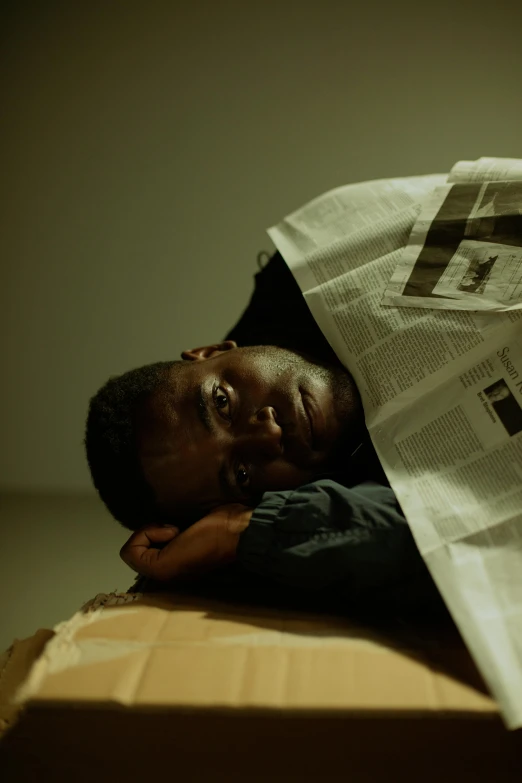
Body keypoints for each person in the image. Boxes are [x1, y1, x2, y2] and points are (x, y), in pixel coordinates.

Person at [85, 252, 447, 619]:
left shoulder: (311, 273)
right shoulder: (336, 506)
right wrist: (237, 531)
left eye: (222, 402)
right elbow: (464, 542)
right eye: (241, 474)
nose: (269, 433)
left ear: (210, 352)